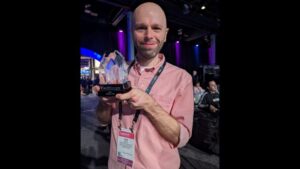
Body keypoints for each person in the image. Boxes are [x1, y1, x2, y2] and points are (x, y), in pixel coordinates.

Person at [95, 2, 194, 168]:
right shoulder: (117, 72)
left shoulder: (182, 78)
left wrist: (149, 104)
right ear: (132, 32)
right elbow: (102, 121)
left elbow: (180, 138)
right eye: (141, 28)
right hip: (117, 164)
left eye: (156, 28)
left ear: (165, 34)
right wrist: (104, 103)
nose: (149, 35)